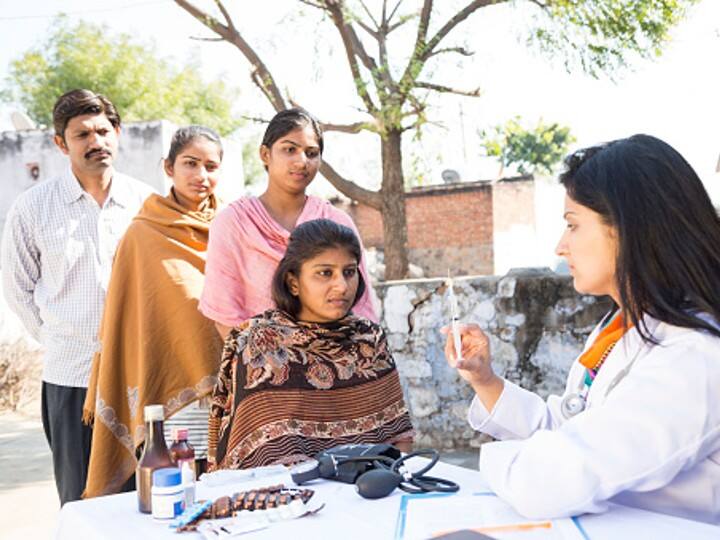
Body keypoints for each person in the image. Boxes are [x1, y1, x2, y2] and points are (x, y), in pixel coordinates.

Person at [445, 134, 720, 524]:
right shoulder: (621, 327)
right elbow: (573, 427)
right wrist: (484, 381)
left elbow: (552, 480)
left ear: (628, 228)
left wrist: (481, 465)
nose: (560, 246)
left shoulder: (695, 354)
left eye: (572, 225)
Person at [0, 90, 154, 505]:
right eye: (82, 134)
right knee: (81, 500)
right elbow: (17, 289)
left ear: (117, 133)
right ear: (60, 143)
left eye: (103, 130)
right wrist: (60, 338)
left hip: (139, 380)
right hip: (70, 380)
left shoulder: (146, 204)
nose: (95, 141)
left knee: (148, 500)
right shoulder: (33, 208)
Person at [81, 126, 225, 497]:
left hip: (232, 382)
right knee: (181, 488)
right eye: (190, 164)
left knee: (230, 488)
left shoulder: (233, 227)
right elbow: (128, 315)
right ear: (169, 167)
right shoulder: (142, 234)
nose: (201, 175)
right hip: (172, 386)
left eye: (211, 166)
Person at [208, 219, 413, 470]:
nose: (342, 286)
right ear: (293, 282)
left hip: (371, 486)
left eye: (349, 272)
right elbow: (257, 455)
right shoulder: (262, 342)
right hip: (287, 491)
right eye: (325, 273)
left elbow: (399, 438)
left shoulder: (369, 338)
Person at [200, 108, 376, 340]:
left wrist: (337, 355)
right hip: (258, 357)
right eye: (290, 149)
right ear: (265, 154)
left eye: (311, 153)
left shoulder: (336, 221)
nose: (302, 162)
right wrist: (269, 357)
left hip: (338, 354)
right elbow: (225, 315)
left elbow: (362, 307)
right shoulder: (233, 223)